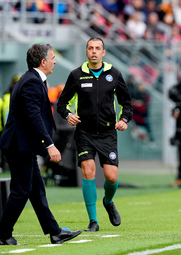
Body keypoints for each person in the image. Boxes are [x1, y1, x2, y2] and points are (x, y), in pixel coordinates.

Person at [0, 43, 82, 245]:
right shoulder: (31, 82)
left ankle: (55, 232)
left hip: (22, 144)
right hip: (18, 145)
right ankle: (3, 234)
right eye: (53, 58)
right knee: (22, 190)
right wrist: (49, 145)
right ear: (43, 61)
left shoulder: (33, 80)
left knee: (36, 189)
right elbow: (33, 116)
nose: (55, 61)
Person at [57, 37, 133, 232]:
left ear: (103, 52)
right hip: (84, 132)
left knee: (111, 177)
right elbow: (61, 103)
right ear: (86, 52)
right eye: (90, 48)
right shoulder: (76, 75)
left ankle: (108, 202)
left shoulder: (114, 73)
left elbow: (127, 103)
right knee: (88, 172)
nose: (94, 51)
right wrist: (68, 115)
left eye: (97, 48)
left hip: (108, 133)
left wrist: (124, 120)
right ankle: (93, 221)